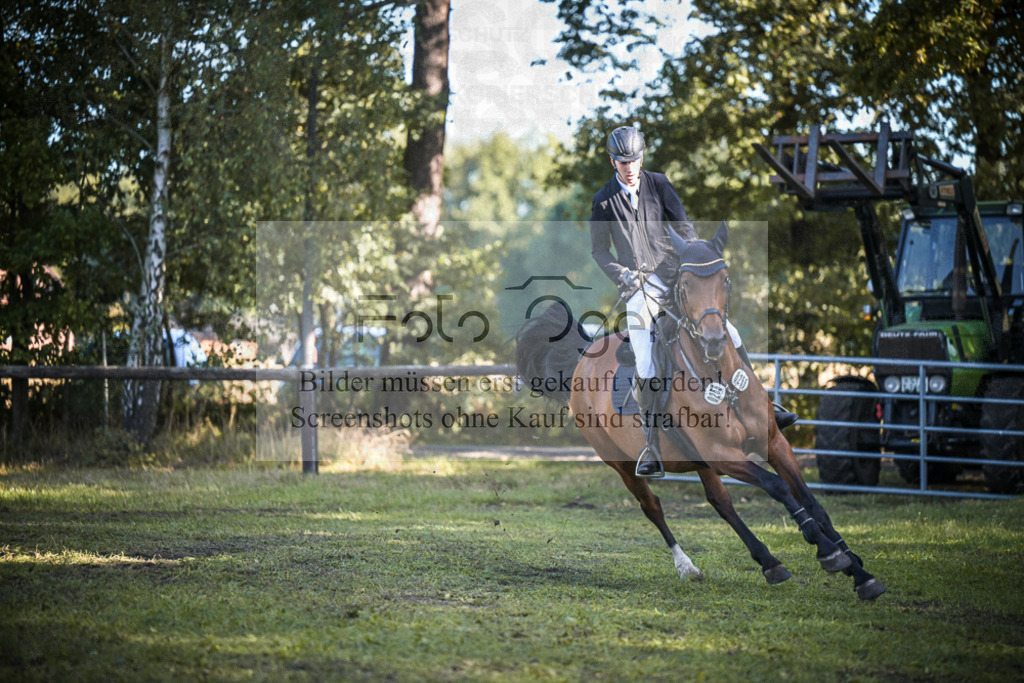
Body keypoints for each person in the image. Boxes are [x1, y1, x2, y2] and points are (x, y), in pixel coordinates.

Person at [589, 125, 796, 478]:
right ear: (613, 161)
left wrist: (693, 257)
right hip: (640, 285)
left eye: (635, 160)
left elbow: (683, 228)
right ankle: (652, 444)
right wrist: (621, 274)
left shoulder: (660, 184)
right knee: (643, 351)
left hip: (677, 272)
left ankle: (764, 405)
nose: (630, 167)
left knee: (728, 330)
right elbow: (599, 250)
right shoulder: (603, 200)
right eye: (623, 162)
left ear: (642, 158)